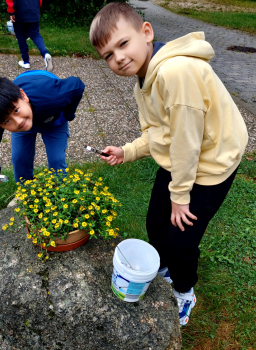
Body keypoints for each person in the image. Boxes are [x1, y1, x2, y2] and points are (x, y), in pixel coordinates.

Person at [89, 2, 248, 326]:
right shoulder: (144, 80)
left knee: (181, 238)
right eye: (108, 55)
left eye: (123, 43)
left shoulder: (175, 73)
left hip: (212, 162)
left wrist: (180, 196)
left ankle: (184, 290)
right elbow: (163, 134)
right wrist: (127, 151)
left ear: (146, 32)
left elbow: (187, 143)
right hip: (185, 156)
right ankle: (161, 265)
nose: (117, 57)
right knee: (155, 220)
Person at [0, 71, 85, 203]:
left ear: (23, 95)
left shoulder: (53, 96)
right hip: (29, 111)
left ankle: (61, 194)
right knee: (19, 158)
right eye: (6, 122)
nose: (18, 122)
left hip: (51, 115)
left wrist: (67, 114)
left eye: (16, 110)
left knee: (56, 159)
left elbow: (77, 84)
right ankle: (26, 193)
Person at [6, 0, 53, 71]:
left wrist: (11, 11)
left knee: (20, 36)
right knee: (35, 35)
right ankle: (45, 54)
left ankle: (26, 62)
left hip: (20, 11)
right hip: (34, 10)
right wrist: (38, 5)